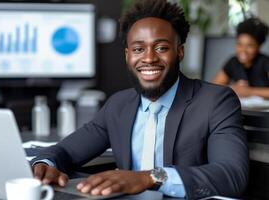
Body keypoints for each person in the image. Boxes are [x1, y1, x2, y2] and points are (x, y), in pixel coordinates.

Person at [31, 0, 249, 199]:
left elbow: (231, 175)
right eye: (138, 49)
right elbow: (65, 150)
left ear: (180, 52)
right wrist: (45, 164)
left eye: (161, 48)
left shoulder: (215, 101)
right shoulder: (118, 105)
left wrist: (150, 177)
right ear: (128, 55)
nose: (149, 58)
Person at [213, 17, 269, 98]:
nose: (243, 50)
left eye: (250, 46)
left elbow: (246, 92)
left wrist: (249, 91)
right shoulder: (233, 62)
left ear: (258, 46)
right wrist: (233, 88)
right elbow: (214, 88)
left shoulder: (265, 62)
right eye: (239, 44)